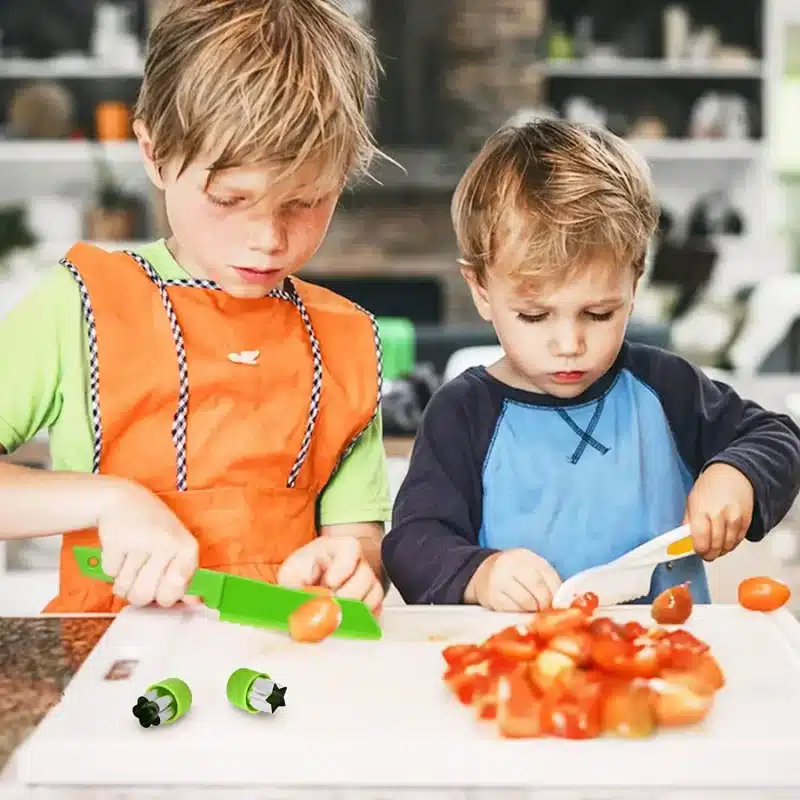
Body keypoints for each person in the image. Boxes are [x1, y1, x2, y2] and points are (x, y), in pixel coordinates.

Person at [0, 0, 390, 615]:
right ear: (155, 155)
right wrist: (110, 501)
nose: (268, 238)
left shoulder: (347, 341)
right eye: (231, 199)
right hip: (111, 671)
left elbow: (359, 540)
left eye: (306, 201)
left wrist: (354, 567)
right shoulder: (79, 305)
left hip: (288, 667)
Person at [383, 119, 800, 611]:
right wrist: (480, 573)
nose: (569, 343)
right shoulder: (461, 412)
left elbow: (778, 438)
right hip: (516, 663)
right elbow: (413, 542)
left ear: (635, 278)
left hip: (662, 661)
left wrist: (738, 473)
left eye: (598, 313)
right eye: (535, 316)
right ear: (480, 290)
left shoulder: (665, 387)